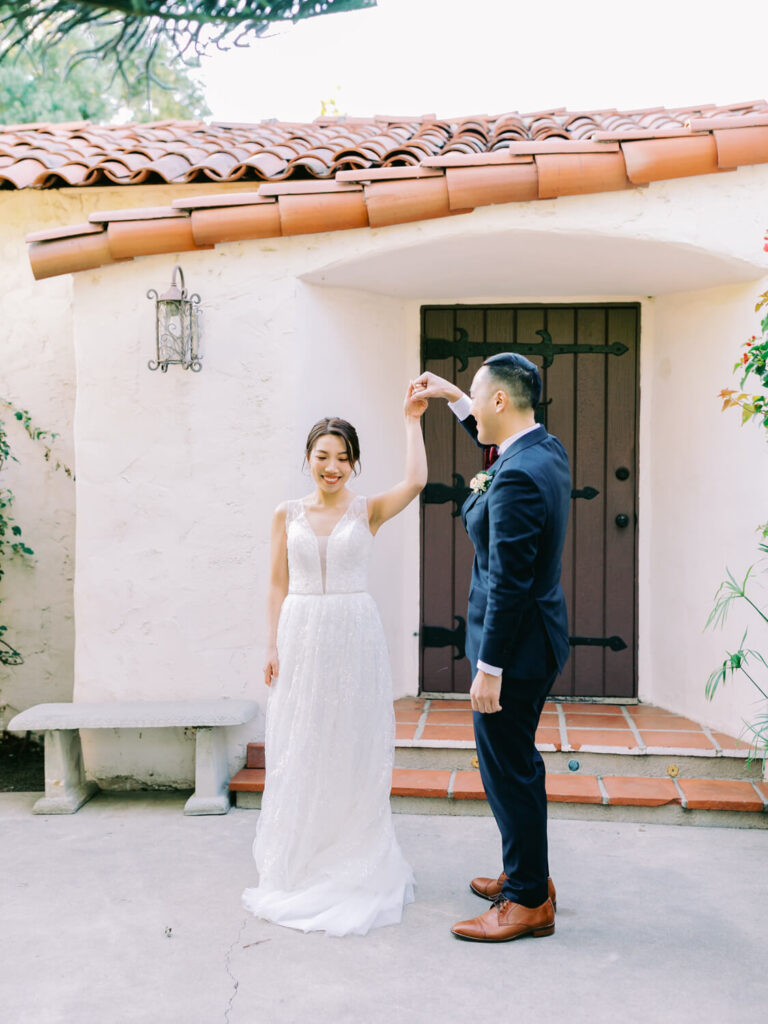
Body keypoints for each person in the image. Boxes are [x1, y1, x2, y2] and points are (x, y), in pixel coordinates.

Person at [242, 384, 428, 937]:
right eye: (322, 457)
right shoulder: (286, 513)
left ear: (354, 464)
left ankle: (351, 854)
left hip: (353, 636)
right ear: (307, 459)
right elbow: (276, 584)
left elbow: (416, 481)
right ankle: (301, 858)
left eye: (342, 458)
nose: (332, 467)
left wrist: (412, 419)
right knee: (301, 743)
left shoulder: (367, 510)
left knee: (349, 743)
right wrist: (272, 644)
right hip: (301, 633)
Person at [414, 354, 571, 942]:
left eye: (479, 398)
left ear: (501, 402)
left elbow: (508, 580)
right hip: (538, 635)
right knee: (513, 765)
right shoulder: (541, 449)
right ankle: (528, 873)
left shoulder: (519, 476)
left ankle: (528, 900)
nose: (474, 409)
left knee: (509, 770)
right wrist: (456, 396)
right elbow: (490, 444)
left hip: (517, 649)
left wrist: (489, 669)